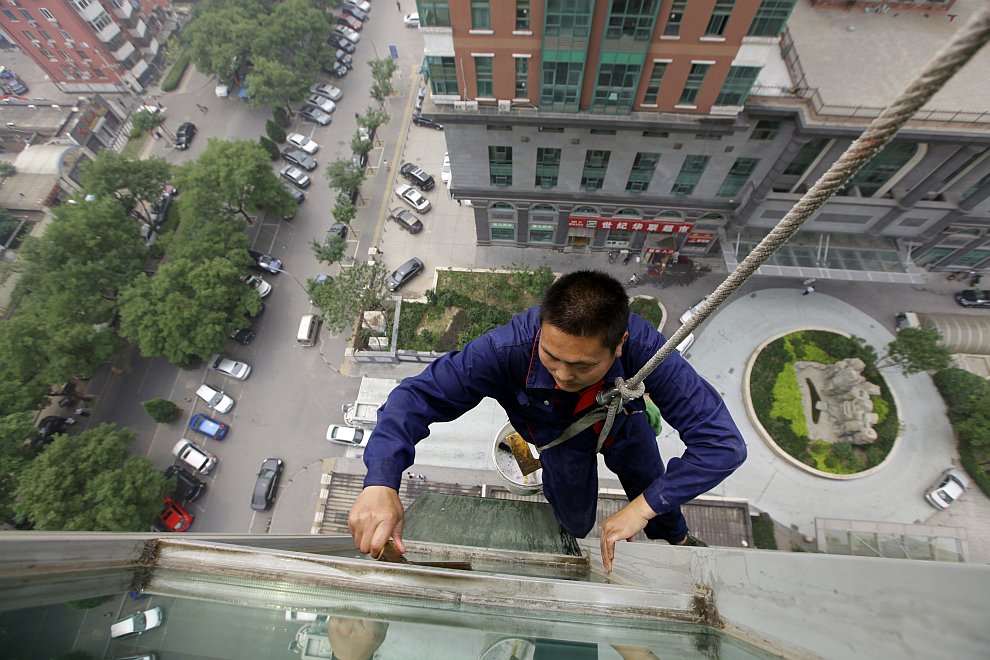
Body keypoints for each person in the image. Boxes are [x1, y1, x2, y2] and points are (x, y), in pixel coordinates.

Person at [348, 270, 746, 573]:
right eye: (551, 357)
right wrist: (381, 481)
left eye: (581, 365)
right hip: (559, 439)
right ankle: (551, 490)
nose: (562, 375)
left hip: (623, 423)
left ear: (619, 344)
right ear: (541, 329)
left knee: (656, 494)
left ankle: (677, 539)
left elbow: (723, 445)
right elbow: (415, 397)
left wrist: (641, 510)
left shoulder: (645, 350)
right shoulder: (507, 349)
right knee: (576, 519)